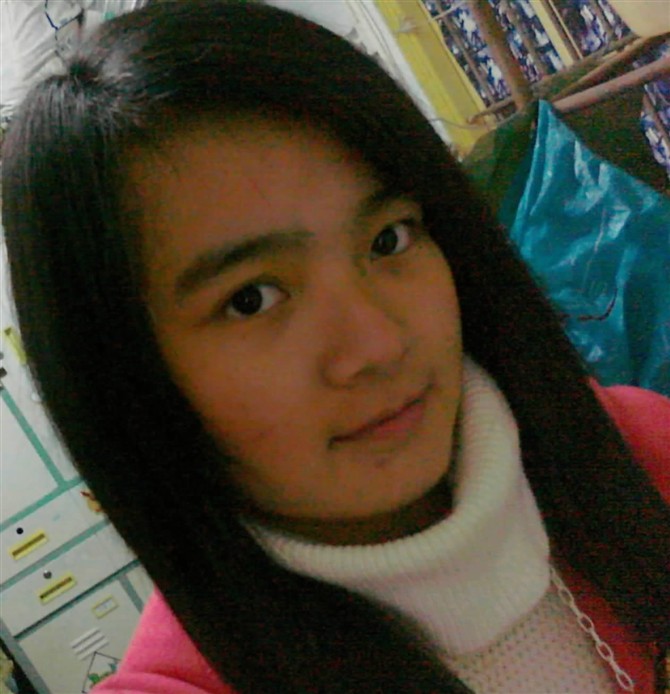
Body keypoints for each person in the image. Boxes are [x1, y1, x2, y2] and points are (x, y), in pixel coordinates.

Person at [2, 2, 668, 692]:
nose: (378, 345)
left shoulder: (637, 446)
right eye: (251, 299)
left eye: (388, 239)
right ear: (121, 375)